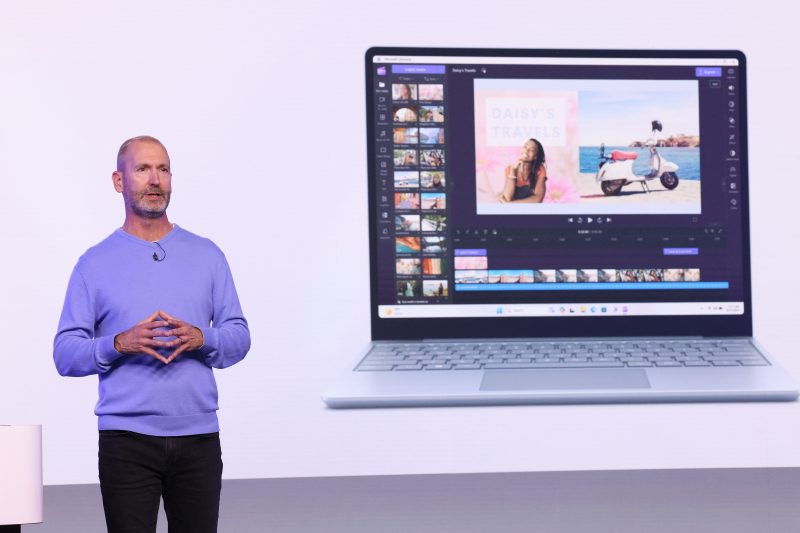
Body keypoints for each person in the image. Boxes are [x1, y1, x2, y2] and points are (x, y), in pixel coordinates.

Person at [53, 136, 251, 533]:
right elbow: (64, 354)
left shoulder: (207, 255)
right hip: (126, 442)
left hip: (199, 440)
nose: (155, 179)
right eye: (142, 169)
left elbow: (238, 337)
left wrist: (202, 338)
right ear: (118, 181)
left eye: (163, 169)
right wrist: (119, 344)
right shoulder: (93, 263)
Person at [498, 138, 547, 203]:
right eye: (525, 146)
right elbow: (507, 197)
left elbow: (538, 199)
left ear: (535, 156)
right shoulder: (510, 169)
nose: (526, 150)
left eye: (531, 150)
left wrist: (509, 204)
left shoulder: (539, 169)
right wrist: (513, 171)